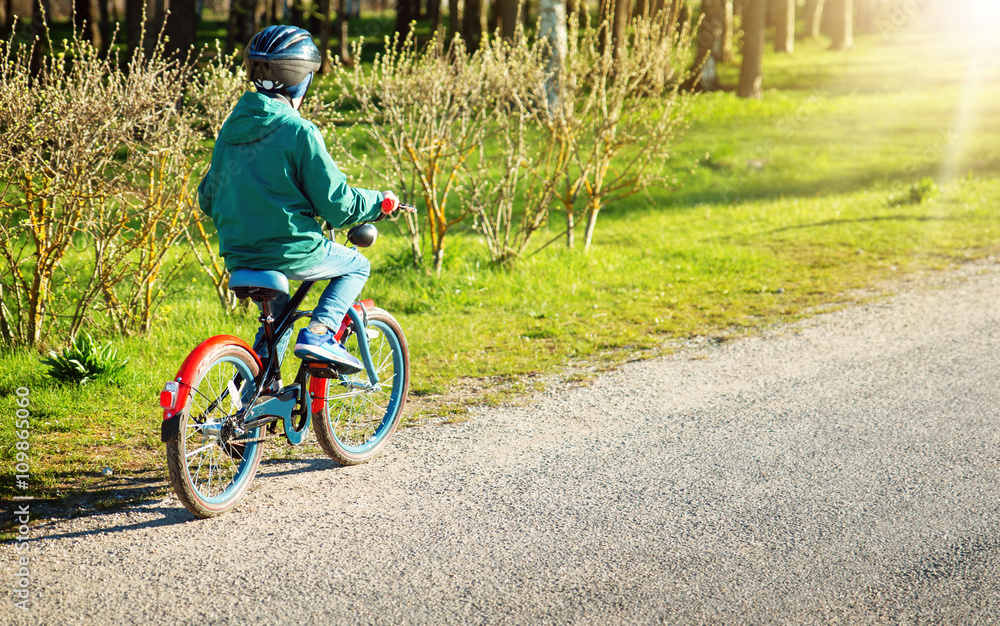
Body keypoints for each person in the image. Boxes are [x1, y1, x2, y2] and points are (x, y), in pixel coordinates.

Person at [198, 25, 413, 373]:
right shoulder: (299, 131)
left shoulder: (230, 130)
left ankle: (254, 395)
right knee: (358, 265)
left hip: (239, 255)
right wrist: (380, 202)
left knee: (276, 320)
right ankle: (320, 333)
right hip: (290, 251)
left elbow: (208, 197)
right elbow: (338, 205)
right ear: (301, 78)